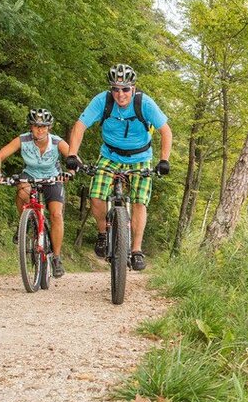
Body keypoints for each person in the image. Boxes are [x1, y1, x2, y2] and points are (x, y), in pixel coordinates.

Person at [65, 63, 172, 271]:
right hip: (110, 155)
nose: (120, 94)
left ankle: (136, 250)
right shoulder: (102, 101)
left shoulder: (144, 103)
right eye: (115, 88)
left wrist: (164, 160)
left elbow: (165, 131)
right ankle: (103, 234)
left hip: (140, 156)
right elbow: (80, 126)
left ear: (133, 87)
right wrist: (72, 154)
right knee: (96, 194)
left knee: (140, 201)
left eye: (125, 89)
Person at [0, 109, 72, 277]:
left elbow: (73, 158)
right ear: (31, 127)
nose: (40, 130)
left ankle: (56, 258)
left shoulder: (57, 142)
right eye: (36, 126)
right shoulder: (23, 140)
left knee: (56, 214)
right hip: (30, 177)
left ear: (49, 127)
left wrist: (69, 173)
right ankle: (25, 223)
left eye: (43, 126)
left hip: (53, 178)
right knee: (21, 187)